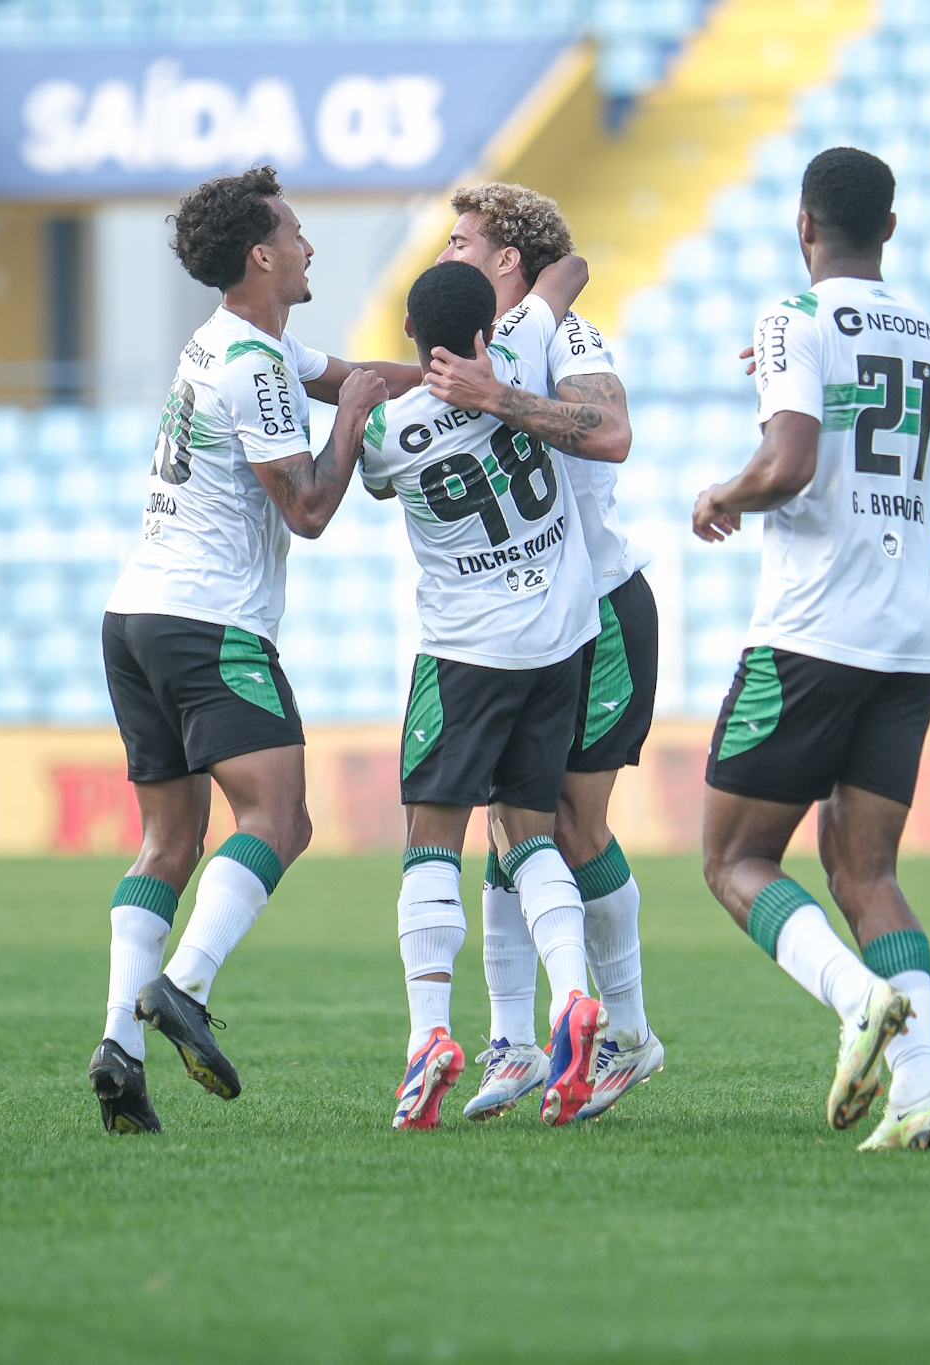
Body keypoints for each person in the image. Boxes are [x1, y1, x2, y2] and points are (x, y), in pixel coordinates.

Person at [88, 166, 417, 1135]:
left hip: (134, 619)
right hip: (207, 625)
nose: (312, 246)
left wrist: (456, 384)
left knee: (169, 841)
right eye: (299, 233)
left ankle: (120, 1044)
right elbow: (308, 507)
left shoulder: (236, 342)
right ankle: (182, 987)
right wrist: (355, 422)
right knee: (279, 820)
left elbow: (347, 375)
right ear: (262, 255)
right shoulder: (254, 366)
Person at [693, 146, 930, 1153]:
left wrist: (726, 490)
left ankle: (855, 999)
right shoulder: (927, 333)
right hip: (910, 633)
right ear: (885, 230)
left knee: (734, 857)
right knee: (863, 868)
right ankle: (920, 1094)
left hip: (813, 631)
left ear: (803, 226)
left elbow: (791, 463)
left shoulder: (789, 318)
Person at [423, 183, 663, 1123]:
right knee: (510, 820)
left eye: (463, 240)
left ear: (509, 262)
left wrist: (500, 395)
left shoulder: (564, 336)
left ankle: (630, 1034)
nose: (448, 255)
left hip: (599, 612)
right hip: (526, 621)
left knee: (568, 825)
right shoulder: (480, 345)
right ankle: (514, 1041)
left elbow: (611, 434)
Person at [360, 256, 605, 1130]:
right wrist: (532, 299)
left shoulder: (389, 435)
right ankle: (573, 996)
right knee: (528, 832)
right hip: (558, 642)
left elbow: (375, 475)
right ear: (483, 332)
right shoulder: (525, 351)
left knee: (432, 842)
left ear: (413, 342)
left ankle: (429, 1036)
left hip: (464, 655)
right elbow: (567, 272)